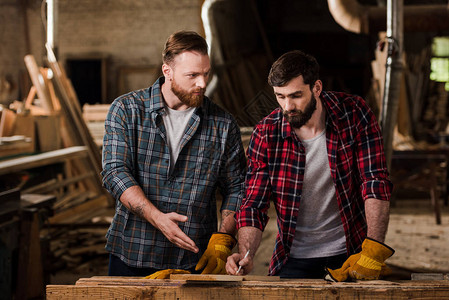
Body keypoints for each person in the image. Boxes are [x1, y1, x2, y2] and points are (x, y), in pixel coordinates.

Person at [226, 50, 394, 280]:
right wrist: (245, 253)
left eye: (295, 95)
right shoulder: (266, 133)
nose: (288, 106)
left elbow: (374, 181)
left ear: (316, 88)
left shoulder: (354, 113)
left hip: (352, 251)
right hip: (293, 256)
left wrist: (373, 250)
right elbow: (253, 205)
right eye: (280, 96)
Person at [102, 30, 246, 278]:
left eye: (205, 74)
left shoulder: (223, 124)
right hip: (133, 251)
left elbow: (236, 186)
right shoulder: (126, 110)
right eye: (192, 75)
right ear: (167, 71)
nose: (202, 83)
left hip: (194, 258)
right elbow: (115, 172)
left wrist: (224, 237)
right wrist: (157, 218)